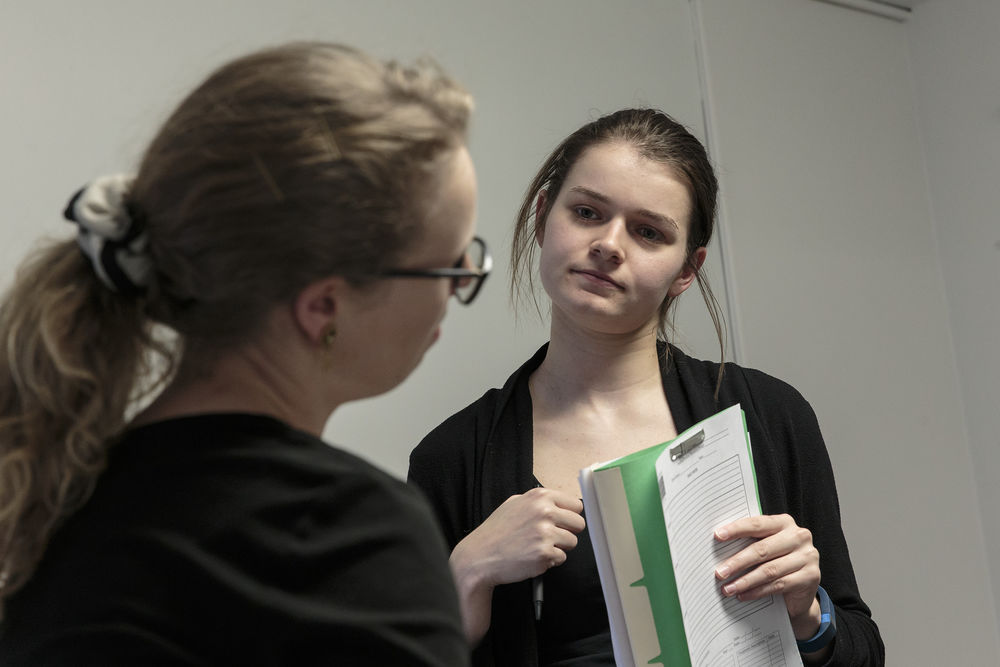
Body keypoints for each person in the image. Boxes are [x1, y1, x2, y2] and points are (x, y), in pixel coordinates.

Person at [0, 42, 491, 666]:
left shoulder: (54, 499)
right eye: (449, 266)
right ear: (325, 308)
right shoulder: (354, 540)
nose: (458, 287)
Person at [409, 108, 884, 666]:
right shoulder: (451, 458)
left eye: (649, 231)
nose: (610, 244)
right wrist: (466, 576)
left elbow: (862, 652)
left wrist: (810, 613)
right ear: (543, 218)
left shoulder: (769, 415)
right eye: (587, 212)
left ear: (687, 269)